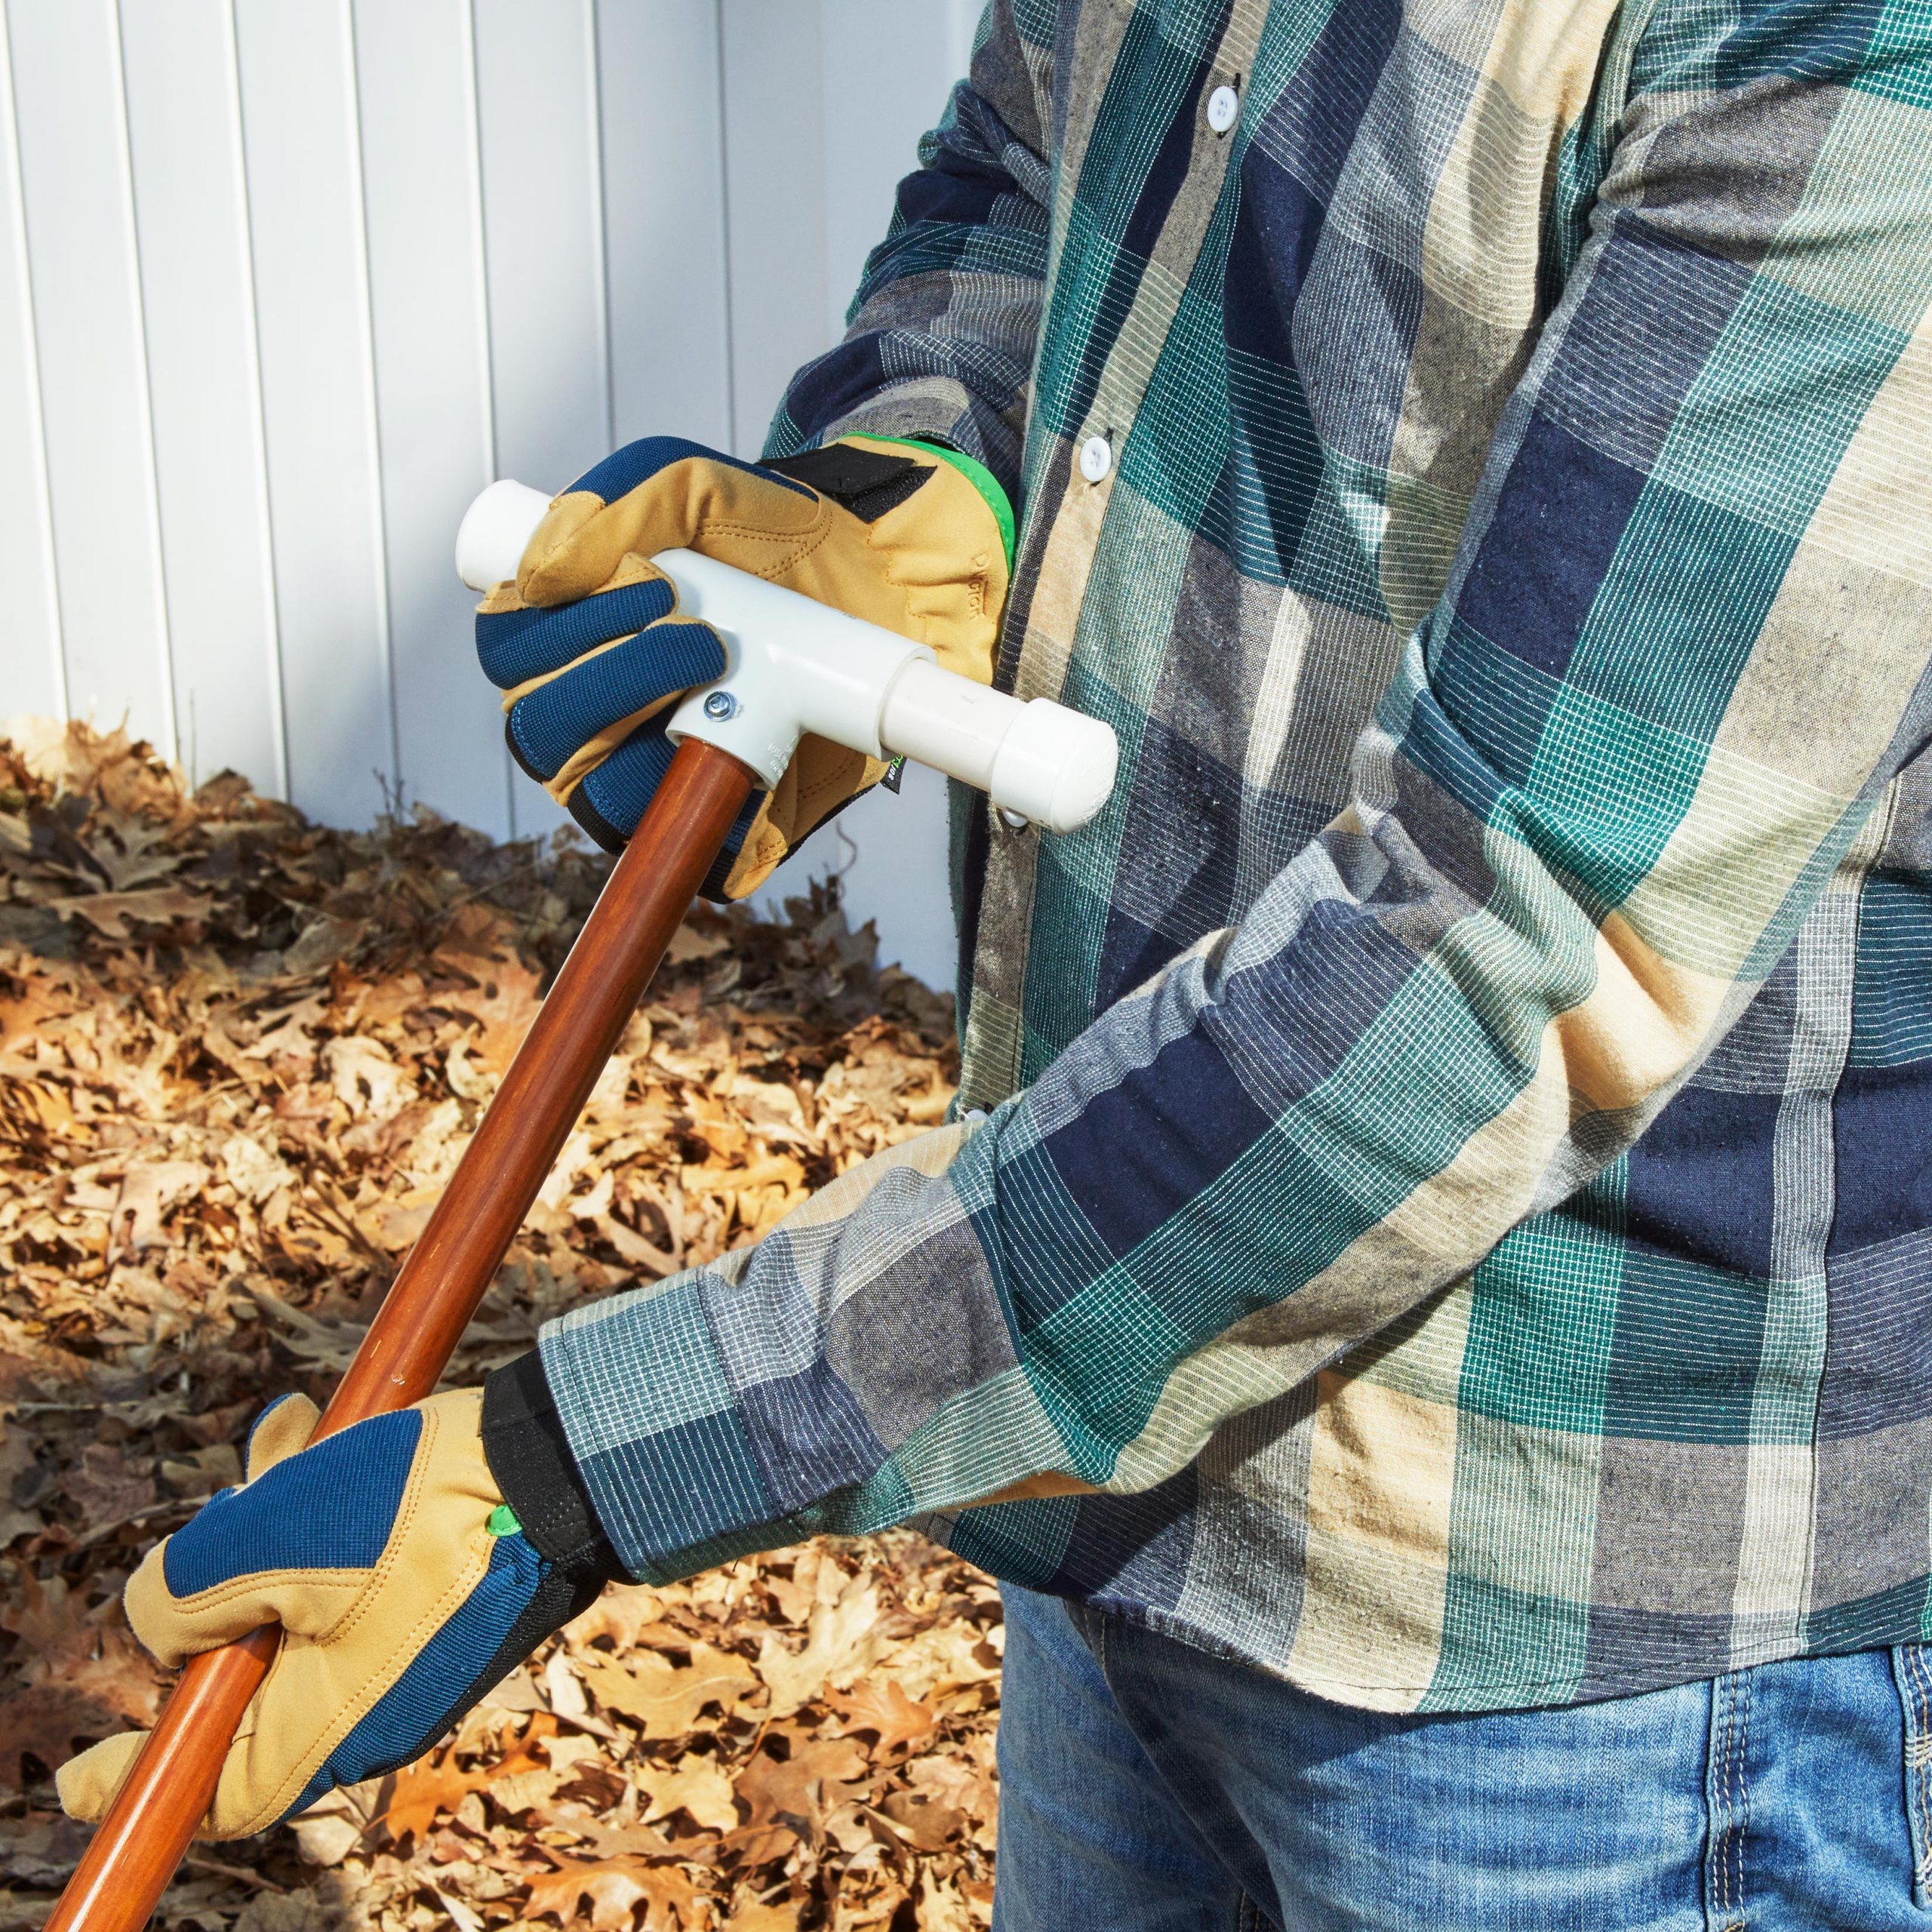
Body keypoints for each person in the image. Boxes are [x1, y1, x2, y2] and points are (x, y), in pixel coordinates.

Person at [61, 2, 1932, 1924]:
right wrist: (914, 490)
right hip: (1106, 1474)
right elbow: (1032, 170)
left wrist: (575, 1473)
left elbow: (1494, 941)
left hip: (1574, 1665)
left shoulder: (1843, 41)